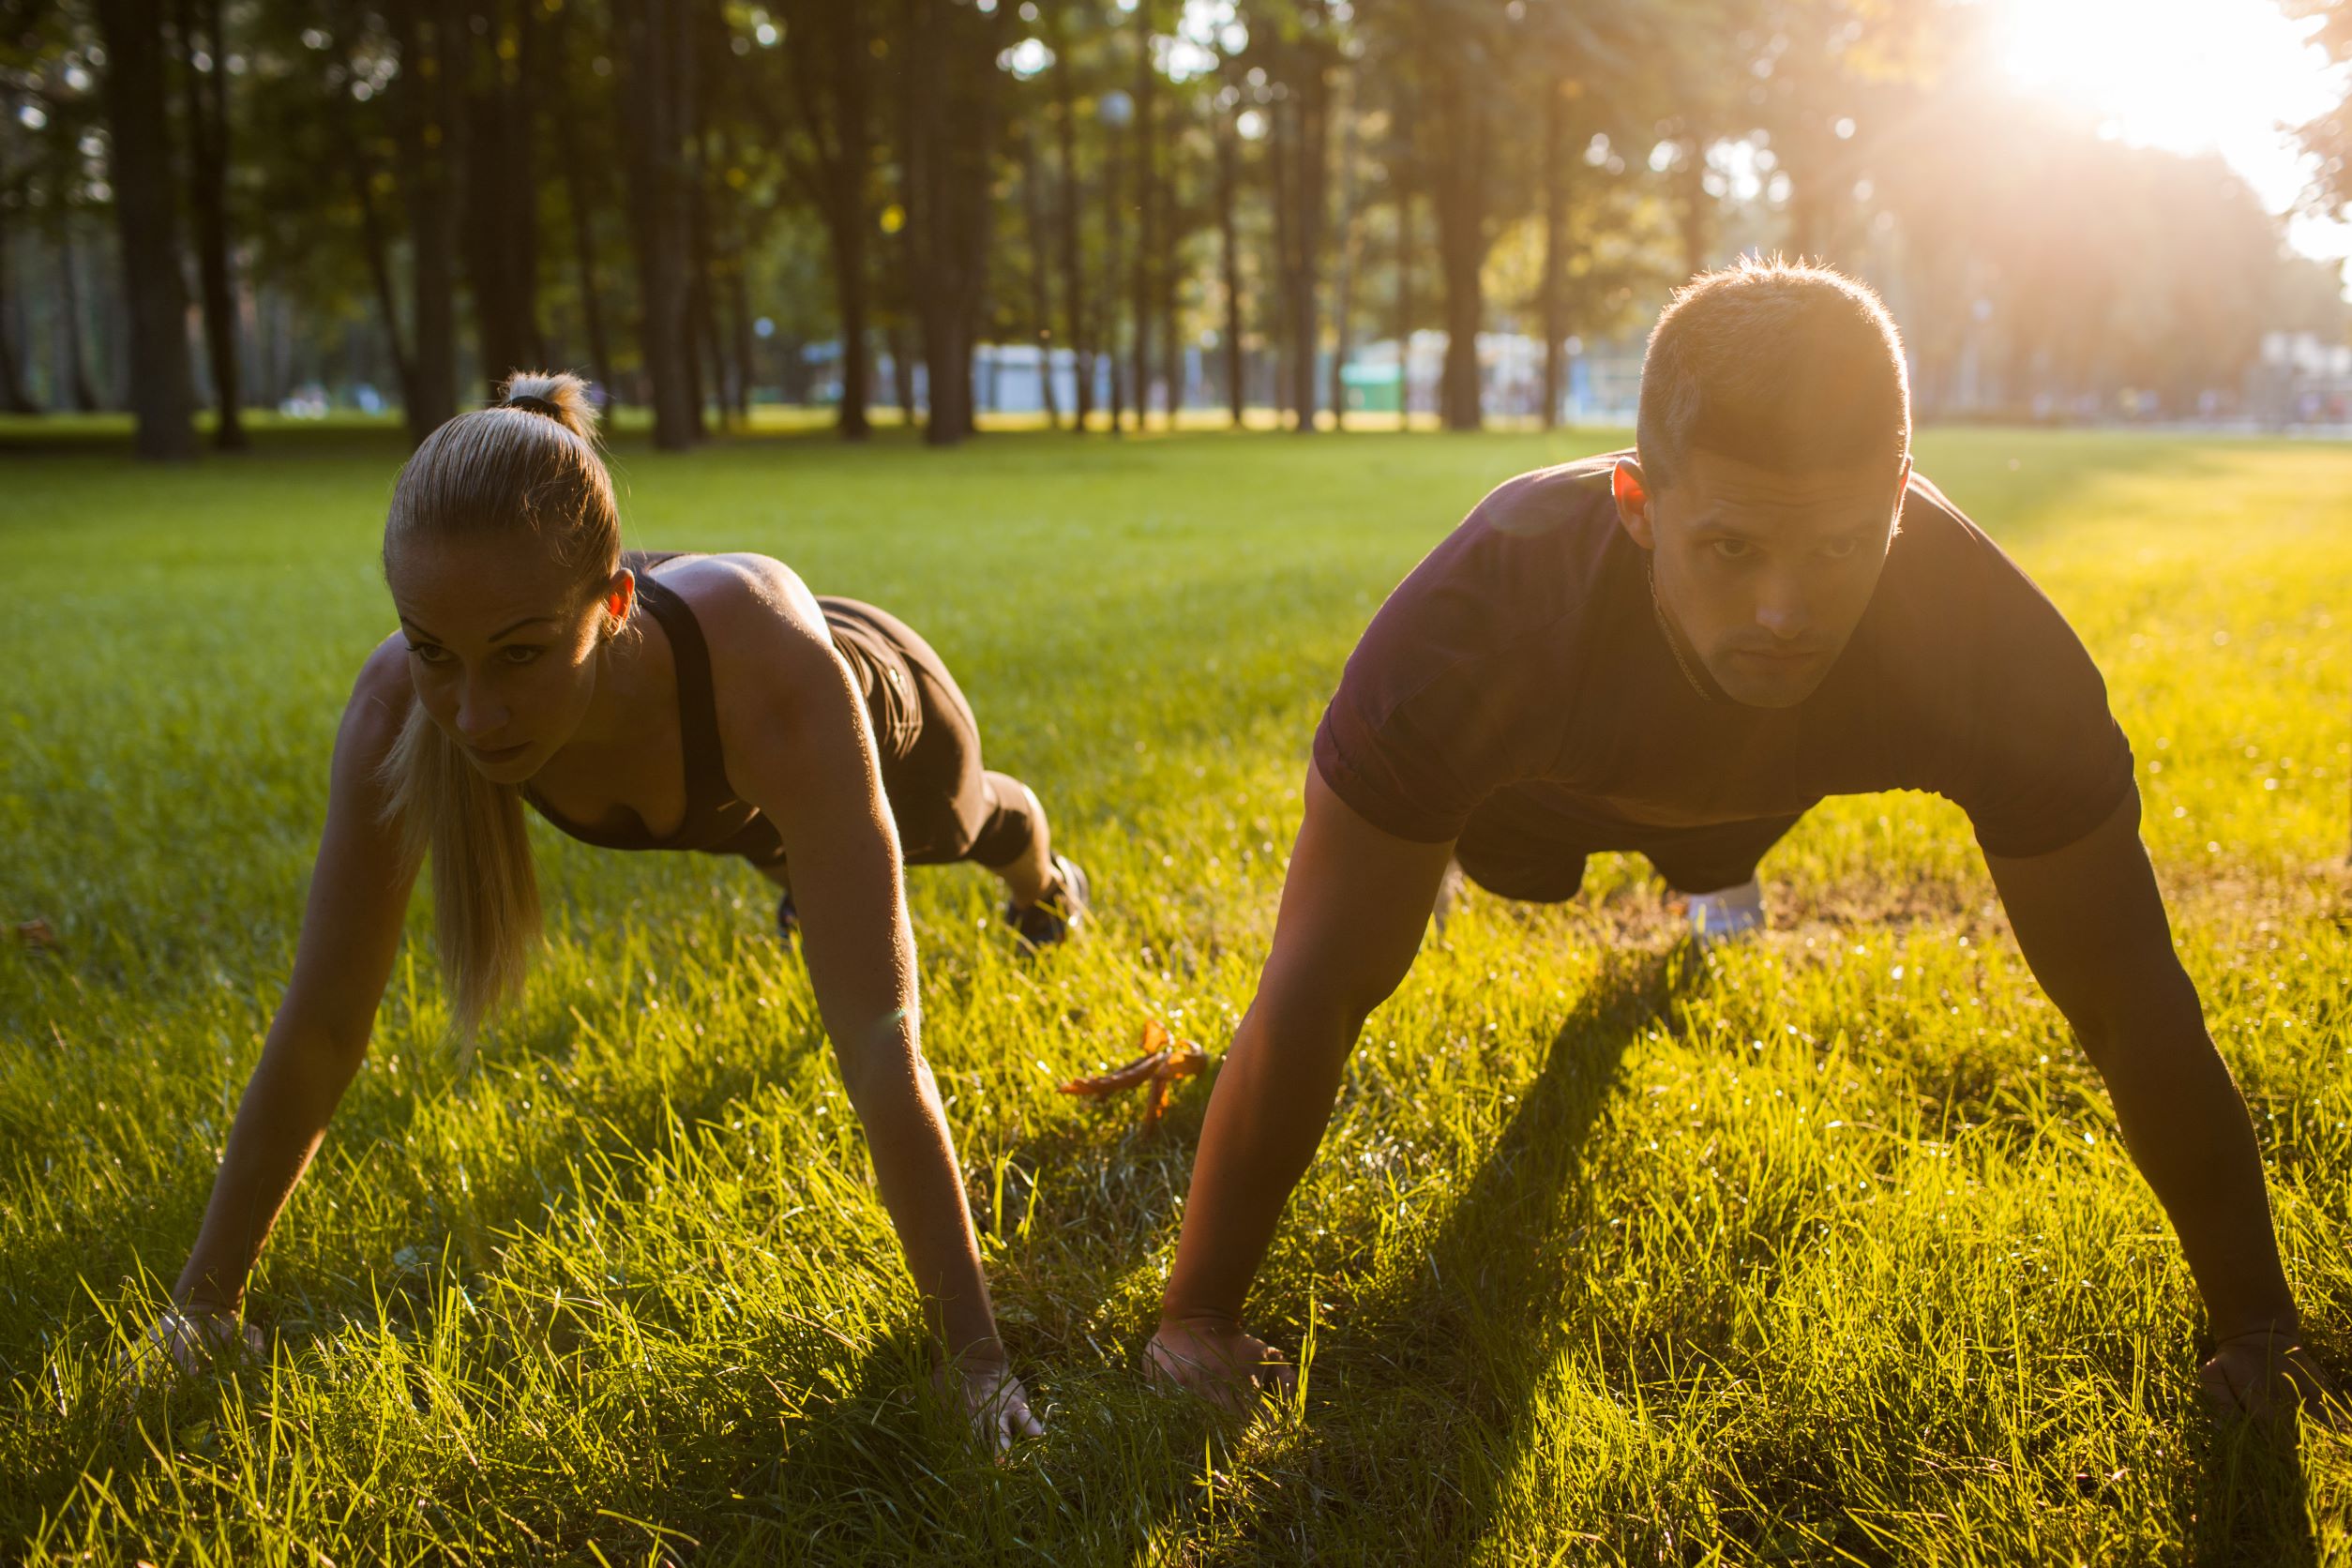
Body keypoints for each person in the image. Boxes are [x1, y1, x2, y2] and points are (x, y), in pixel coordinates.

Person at [1144, 260, 2330, 1421]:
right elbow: (1317, 984)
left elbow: (2128, 994)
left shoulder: (1990, 646)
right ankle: (1473, 858)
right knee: (1484, 882)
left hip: (1761, 787)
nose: (1786, 611)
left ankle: (1715, 870)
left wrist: (2258, 1329)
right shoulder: (1476, 626)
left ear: (1900, 496)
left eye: (1839, 546)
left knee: (1719, 855)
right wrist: (1195, 1316)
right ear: (1637, 505)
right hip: (1532, 802)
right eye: (1730, 548)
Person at [147, 372, 1084, 1451]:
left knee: (976, 827)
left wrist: (976, 1364)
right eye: (435, 651)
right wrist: (202, 1307)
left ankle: (1046, 884)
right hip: (741, 791)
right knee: (777, 851)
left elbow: (883, 1045)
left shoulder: (774, 679)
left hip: (880, 716)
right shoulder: (398, 710)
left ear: (616, 603)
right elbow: (321, 1027)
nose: (474, 714)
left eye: (520, 654)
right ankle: (799, 874)